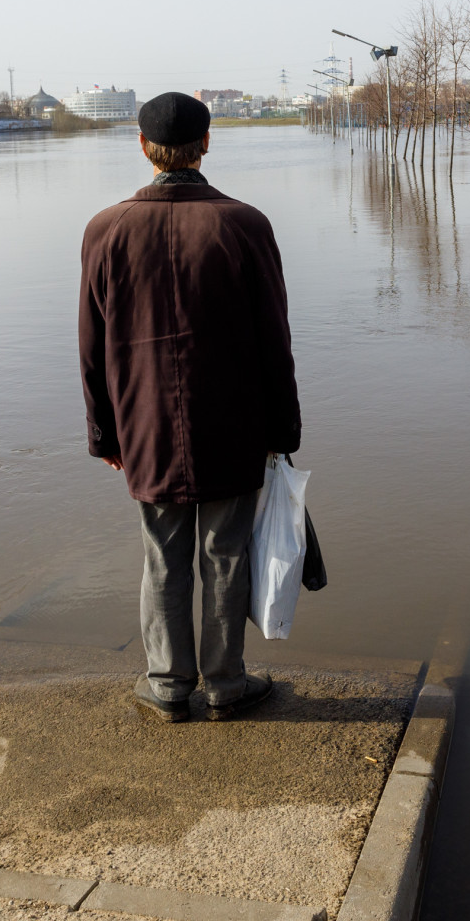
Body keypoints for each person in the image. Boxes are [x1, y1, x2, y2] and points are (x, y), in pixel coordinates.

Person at [77, 92, 301, 723]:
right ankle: (226, 685)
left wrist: (104, 435)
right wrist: (283, 429)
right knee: (225, 553)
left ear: (144, 148)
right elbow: (273, 341)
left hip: (144, 423)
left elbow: (91, 348)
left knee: (161, 554)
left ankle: (169, 685)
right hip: (234, 422)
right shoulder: (244, 224)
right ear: (206, 144)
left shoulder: (106, 229)